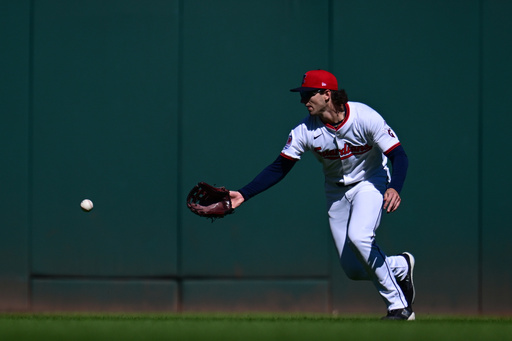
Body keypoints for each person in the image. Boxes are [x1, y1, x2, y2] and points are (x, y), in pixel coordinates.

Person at [228, 70, 415, 320]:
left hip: (371, 182)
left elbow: (398, 155)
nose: (303, 101)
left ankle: (399, 308)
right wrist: (244, 194)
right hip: (335, 192)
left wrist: (396, 187)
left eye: (308, 94)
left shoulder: (365, 117)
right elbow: (279, 167)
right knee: (353, 269)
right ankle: (401, 266)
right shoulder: (304, 131)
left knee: (360, 237)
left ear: (327, 94)